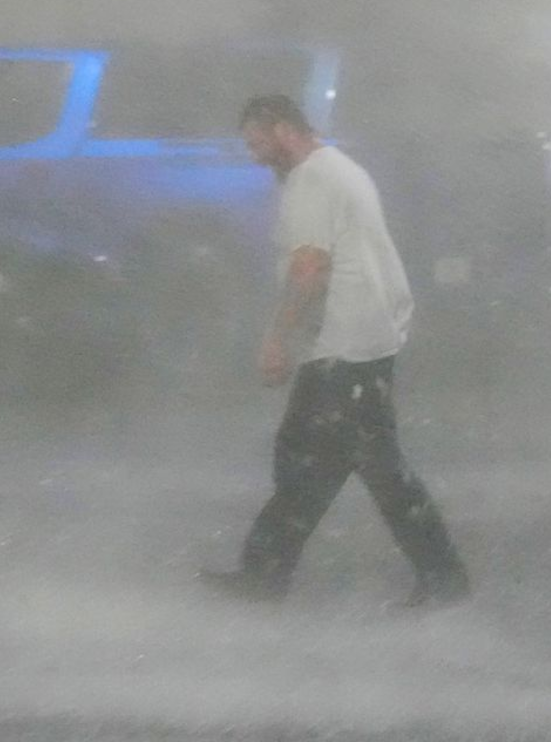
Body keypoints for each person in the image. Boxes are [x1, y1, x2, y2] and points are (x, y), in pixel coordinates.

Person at [200, 94, 469, 607]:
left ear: (282, 130)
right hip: (361, 343)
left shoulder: (312, 180)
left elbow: (310, 267)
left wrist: (276, 340)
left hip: (345, 350)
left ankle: (442, 582)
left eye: (257, 144)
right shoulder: (340, 168)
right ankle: (264, 574)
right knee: (314, 461)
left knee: (369, 469)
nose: (255, 157)